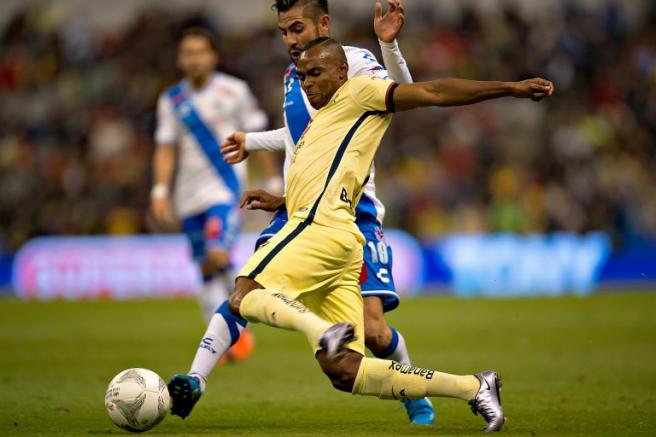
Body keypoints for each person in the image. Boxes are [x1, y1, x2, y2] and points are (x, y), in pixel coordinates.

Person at [168, 37, 554, 433]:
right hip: (337, 241)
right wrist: (279, 200)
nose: (307, 84)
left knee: (245, 292)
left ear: (341, 71)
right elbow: (324, 176)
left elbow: (434, 91)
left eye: (316, 73)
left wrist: (512, 88)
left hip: (317, 230)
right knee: (344, 371)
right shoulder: (323, 118)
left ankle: (318, 331)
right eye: (302, 77)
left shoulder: (361, 93)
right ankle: (474, 387)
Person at [218, 0, 436, 424]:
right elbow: (301, 133)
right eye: (282, 31)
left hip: (355, 206)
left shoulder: (353, 60)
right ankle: (195, 378)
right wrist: (252, 141)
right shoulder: (294, 74)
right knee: (250, 289)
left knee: (373, 331)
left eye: (295, 28)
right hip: (307, 209)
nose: (289, 40)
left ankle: (415, 390)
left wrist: (389, 45)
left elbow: (405, 94)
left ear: (323, 23)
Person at [151, 27, 276, 362]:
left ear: (212, 56)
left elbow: (256, 134)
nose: (193, 59)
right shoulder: (172, 101)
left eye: (199, 52)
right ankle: (218, 340)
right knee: (205, 267)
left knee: (218, 252)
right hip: (187, 196)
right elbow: (165, 149)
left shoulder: (234, 91)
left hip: (223, 190)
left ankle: (241, 321)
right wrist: (160, 190)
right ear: (180, 59)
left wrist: (274, 178)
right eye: (187, 53)